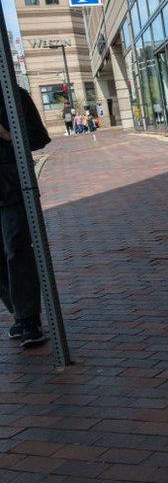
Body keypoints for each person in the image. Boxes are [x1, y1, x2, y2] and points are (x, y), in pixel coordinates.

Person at [0, 86, 51, 348]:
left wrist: (8, 135)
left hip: (10, 189)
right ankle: (20, 313)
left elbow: (39, 136)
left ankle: (29, 319)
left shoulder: (12, 94)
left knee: (16, 249)